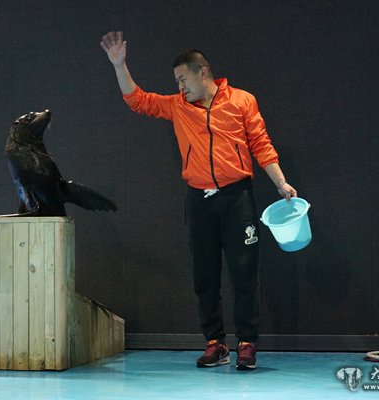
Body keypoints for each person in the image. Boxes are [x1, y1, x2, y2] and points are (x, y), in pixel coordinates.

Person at [100, 31, 297, 369]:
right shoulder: (178, 106)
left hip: (237, 199)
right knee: (205, 276)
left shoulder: (242, 101)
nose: (179, 87)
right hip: (199, 201)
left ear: (202, 72)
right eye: (176, 82)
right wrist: (119, 65)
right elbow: (138, 100)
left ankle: (247, 343)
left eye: (182, 79)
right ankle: (215, 343)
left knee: (244, 273)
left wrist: (281, 183)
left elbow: (260, 143)